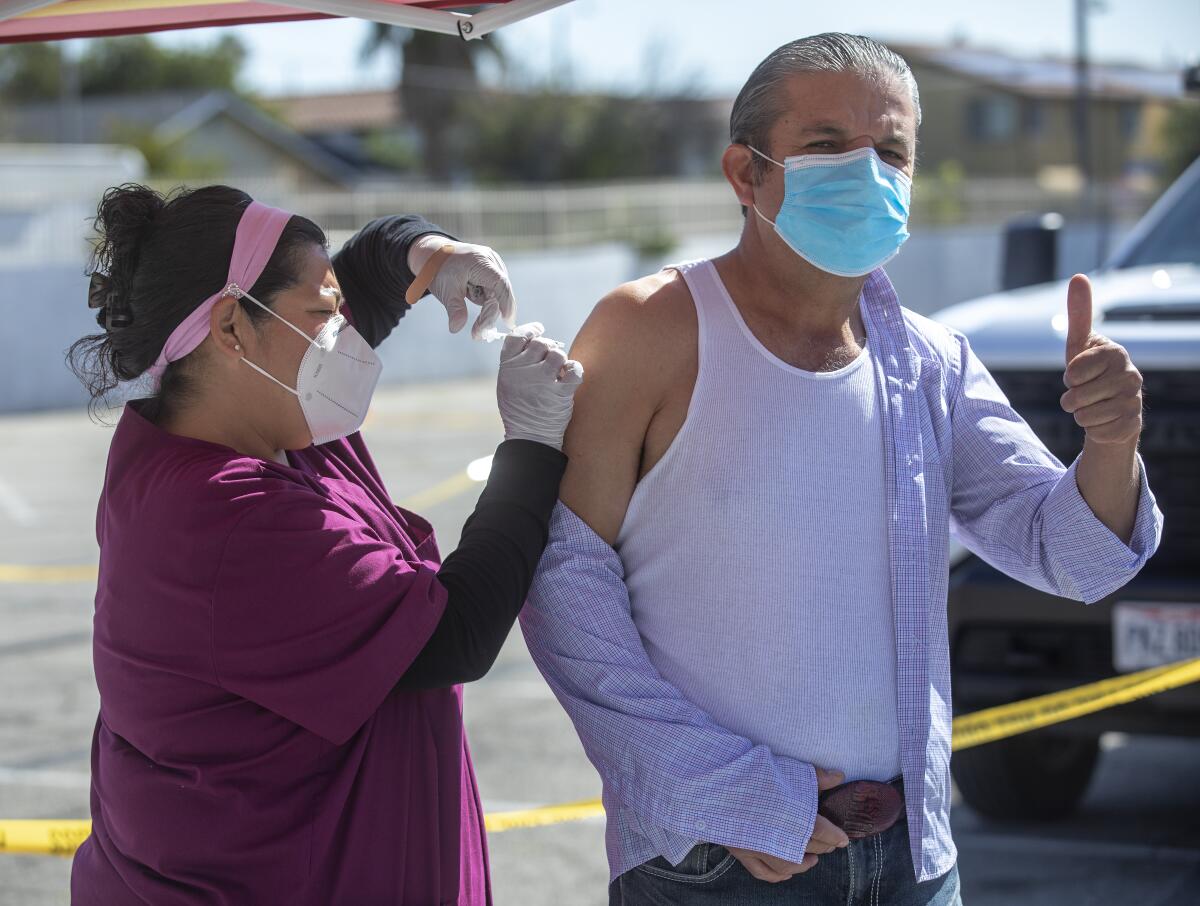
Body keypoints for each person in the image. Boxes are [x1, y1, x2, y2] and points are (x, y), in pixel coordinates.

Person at [520, 33, 1162, 905]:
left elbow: (1075, 558)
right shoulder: (653, 329)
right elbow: (564, 585)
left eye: (890, 151)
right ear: (747, 176)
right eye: (826, 146)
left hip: (911, 857)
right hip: (719, 860)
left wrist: (1113, 441)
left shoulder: (932, 361)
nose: (866, 173)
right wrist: (733, 796)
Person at [67, 183, 582, 905]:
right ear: (229, 327)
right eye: (323, 314)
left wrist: (431, 251)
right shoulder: (223, 516)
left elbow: (370, 267)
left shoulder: (245, 415)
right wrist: (530, 445)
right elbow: (455, 632)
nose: (345, 332)